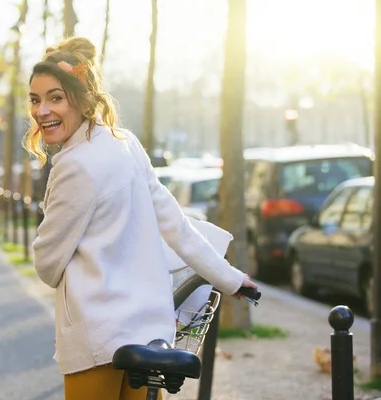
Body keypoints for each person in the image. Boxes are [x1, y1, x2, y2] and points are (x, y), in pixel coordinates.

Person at [23, 36, 257, 400]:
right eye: (36, 99)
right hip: (148, 333)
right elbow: (176, 225)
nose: (41, 111)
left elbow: (47, 265)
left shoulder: (73, 165)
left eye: (56, 97)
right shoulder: (126, 143)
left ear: (83, 97)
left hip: (97, 337)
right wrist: (230, 279)